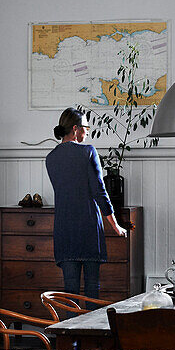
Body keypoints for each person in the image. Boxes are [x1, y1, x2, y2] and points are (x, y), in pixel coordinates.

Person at [45, 107, 128, 299]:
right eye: (86, 127)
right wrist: (115, 226)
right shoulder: (88, 152)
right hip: (88, 227)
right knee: (92, 289)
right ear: (75, 129)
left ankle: (71, 328)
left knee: (70, 291)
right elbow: (99, 191)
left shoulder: (51, 158)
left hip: (64, 229)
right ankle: (91, 329)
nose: (88, 131)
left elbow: (65, 192)